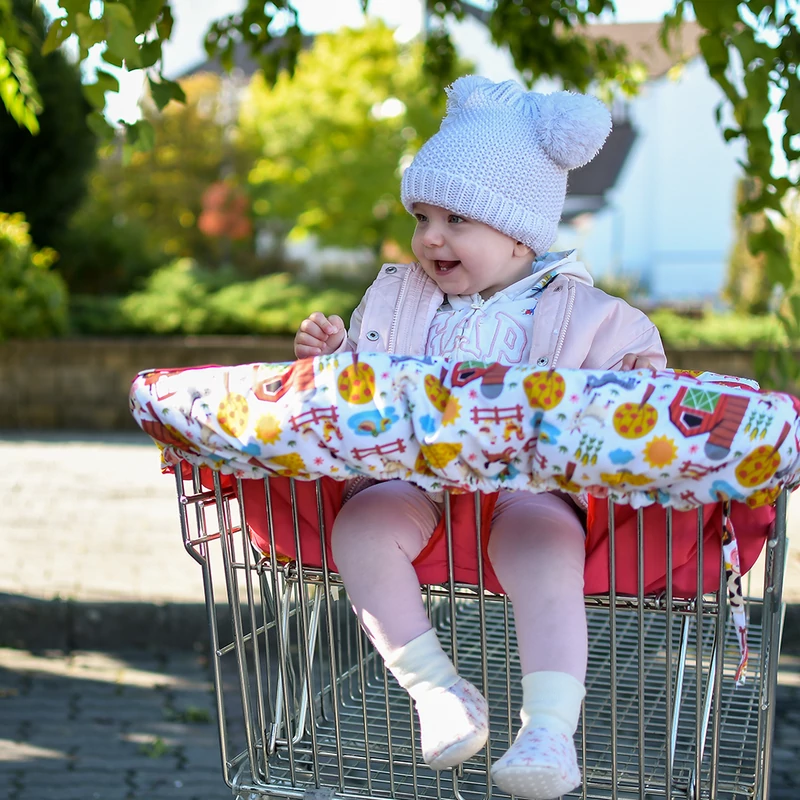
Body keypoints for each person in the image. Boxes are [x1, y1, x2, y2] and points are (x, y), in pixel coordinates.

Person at [294, 75, 667, 800]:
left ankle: (550, 729)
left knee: (546, 546)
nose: (431, 236)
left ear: (519, 232)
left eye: (457, 219)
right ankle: (437, 690)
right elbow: (366, 381)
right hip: (412, 471)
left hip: (530, 480)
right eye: (422, 216)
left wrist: (631, 380)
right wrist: (334, 357)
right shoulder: (399, 299)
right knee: (359, 530)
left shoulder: (582, 311)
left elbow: (642, 377)